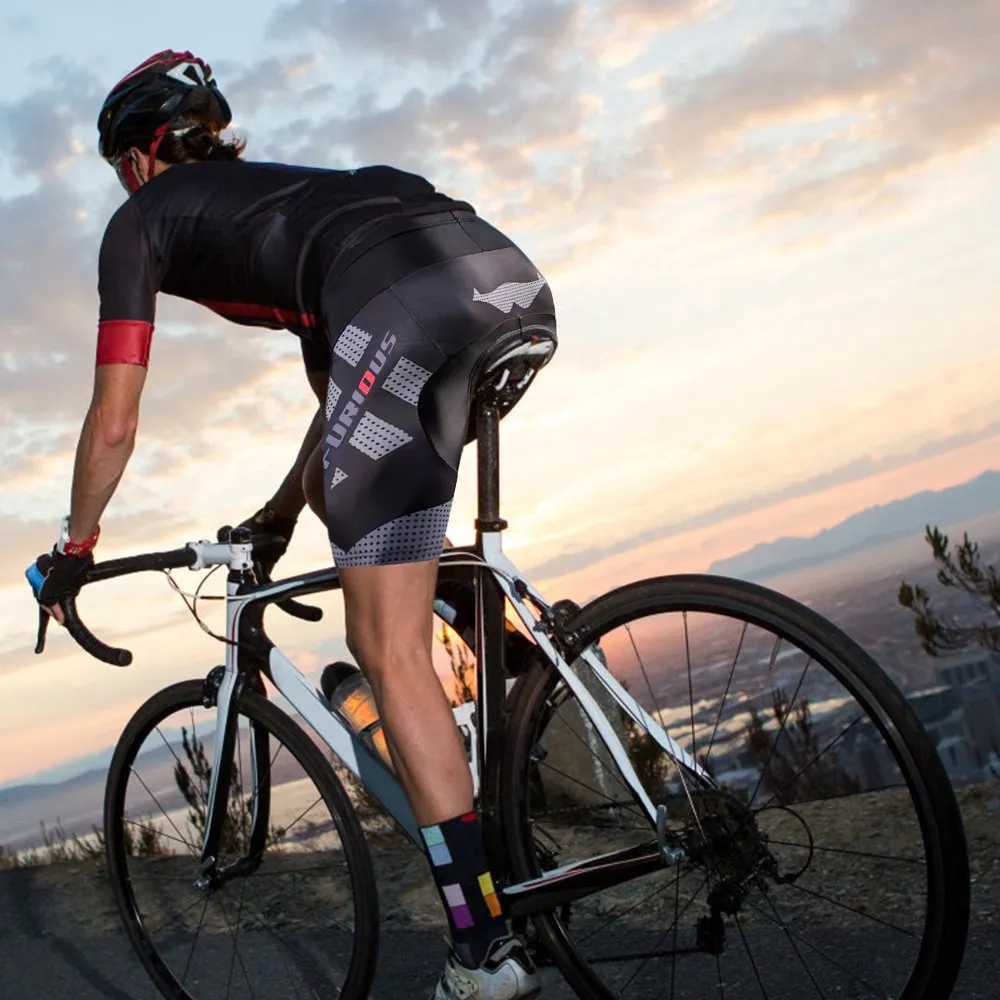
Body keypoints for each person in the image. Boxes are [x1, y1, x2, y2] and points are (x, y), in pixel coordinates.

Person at [24, 49, 555, 1000]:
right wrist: (276, 515)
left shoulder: (141, 222)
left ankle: (482, 947)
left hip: (400, 310)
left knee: (381, 645)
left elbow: (113, 420)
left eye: (119, 168)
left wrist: (74, 548)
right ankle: (512, 641)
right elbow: (342, 417)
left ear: (139, 160)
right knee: (381, 518)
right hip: (501, 276)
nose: (124, 186)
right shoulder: (302, 208)